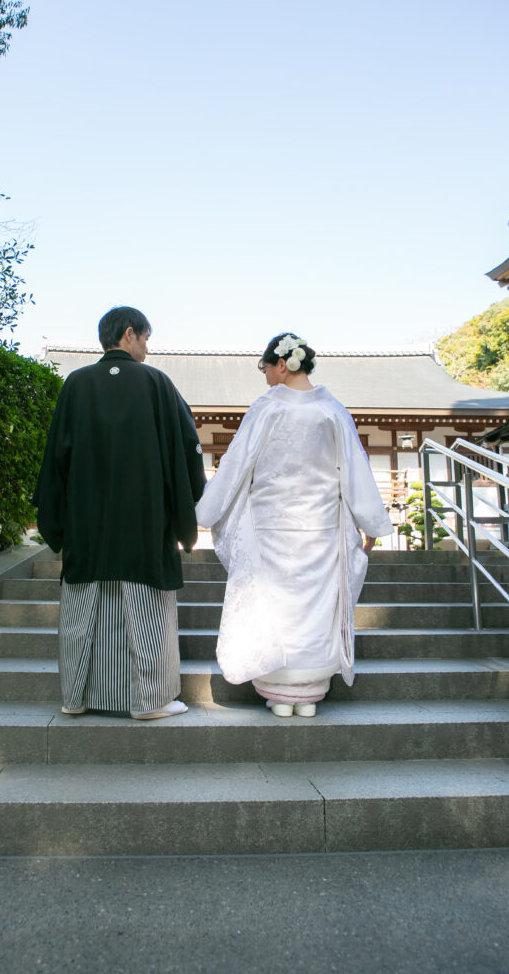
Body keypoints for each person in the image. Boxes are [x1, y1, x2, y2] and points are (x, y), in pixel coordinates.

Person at [195, 333, 393, 718]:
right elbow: (354, 470)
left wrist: (206, 513)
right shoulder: (332, 410)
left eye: (266, 368)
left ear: (282, 364)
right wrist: (369, 522)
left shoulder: (267, 409)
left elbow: (236, 466)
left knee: (274, 606)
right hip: (320, 529)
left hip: (272, 526)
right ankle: (311, 692)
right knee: (315, 607)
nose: (265, 376)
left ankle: (278, 692)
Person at [33, 306, 206, 720]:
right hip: (146, 524)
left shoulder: (76, 384)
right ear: (129, 335)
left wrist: (57, 524)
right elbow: (188, 451)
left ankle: (75, 697)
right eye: (145, 339)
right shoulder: (157, 384)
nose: (147, 349)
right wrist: (185, 518)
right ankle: (149, 701)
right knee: (147, 614)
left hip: (87, 525)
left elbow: (56, 457)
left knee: (81, 611)